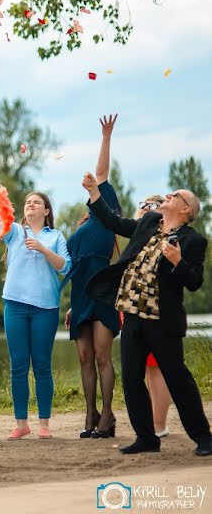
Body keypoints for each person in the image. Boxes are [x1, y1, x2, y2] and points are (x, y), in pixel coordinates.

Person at [83, 174, 211, 457]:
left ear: (186, 209)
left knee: (177, 378)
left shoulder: (193, 240)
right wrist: (94, 193)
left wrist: (178, 262)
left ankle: (204, 438)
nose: (168, 195)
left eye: (174, 194)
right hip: (132, 315)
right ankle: (146, 438)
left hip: (161, 320)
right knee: (131, 378)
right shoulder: (149, 223)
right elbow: (115, 222)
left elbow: (194, 281)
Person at [0, 161, 72, 440]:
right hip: (15, 305)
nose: (30, 204)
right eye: (28, 202)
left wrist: (43, 249)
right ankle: (21, 424)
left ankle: (44, 424)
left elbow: (65, 267)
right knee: (18, 364)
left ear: (46, 211)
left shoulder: (55, 236)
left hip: (45, 308)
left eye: (36, 202)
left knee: (41, 364)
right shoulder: (15, 232)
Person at [62, 115, 121, 439]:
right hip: (81, 295)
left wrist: (105, 137)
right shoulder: (81, 228)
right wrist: (71, 305)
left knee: (101, 355)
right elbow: (71, 266)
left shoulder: (106, 218)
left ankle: (108, 414)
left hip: (104, 292)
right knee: (84, 357)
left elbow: (100, 174)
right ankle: (90, 413)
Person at [132, 195, 173, 438]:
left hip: (154, 307)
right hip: (134, 306)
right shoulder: (140, 232)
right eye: (143, 205)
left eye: (151, 206)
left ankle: (160, 424)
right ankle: (154, 422)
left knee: (156, 368)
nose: (145, 209)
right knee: (147, 370)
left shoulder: (164, 235)